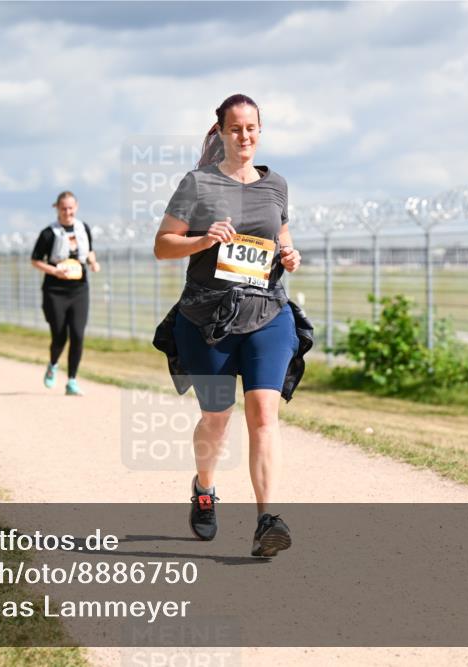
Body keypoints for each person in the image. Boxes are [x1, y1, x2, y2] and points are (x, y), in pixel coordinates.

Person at [152, 94, 312, 558]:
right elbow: (163, 245)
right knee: (217, 418)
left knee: (263, 413)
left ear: (261, 131)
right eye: (236, 128)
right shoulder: (198, 183)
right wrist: (203, 240)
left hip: (268, 311)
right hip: (209, 319)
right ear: (221, 132)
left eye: (252, 128)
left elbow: (282, 239)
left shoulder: (276, 184)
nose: (245, 136)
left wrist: (290, 256)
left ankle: (267, 520)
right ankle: (204, 489)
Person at [30, 191, 100, 396]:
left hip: (79, 289)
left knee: (77, 334)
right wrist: (55, 271)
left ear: (76, 207)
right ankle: (53, 364)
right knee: (60, 335)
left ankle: (72, 380)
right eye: (63, 208)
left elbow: (89, 250)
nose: (67, 212)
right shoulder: (48, 233)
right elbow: (35, 260)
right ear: (57, 208)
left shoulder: (83, 228)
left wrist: (93, 262)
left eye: (70, 208)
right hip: (55, 290)